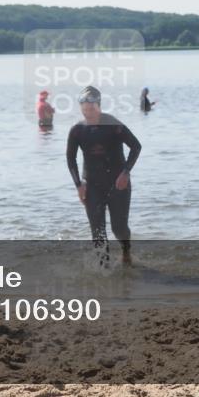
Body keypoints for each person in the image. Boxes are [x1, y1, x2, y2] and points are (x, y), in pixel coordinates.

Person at [65, 85, 141, 266]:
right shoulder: (77, 130)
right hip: (92, 185)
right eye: (84, 109)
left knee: (119, 228)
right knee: (97, 231)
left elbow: (136, 146)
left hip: (118, 184)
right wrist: (78, 185)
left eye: (91, 109)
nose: (88, 113)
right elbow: (70, 158)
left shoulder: (113, 125)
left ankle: (126, 251)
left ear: (99, 105)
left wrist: (125, 173)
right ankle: (104, 270)